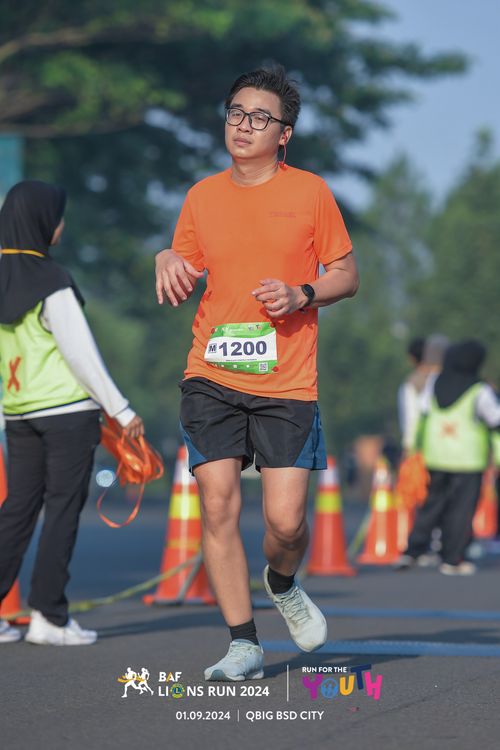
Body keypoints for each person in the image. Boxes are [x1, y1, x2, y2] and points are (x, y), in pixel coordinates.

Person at [155, 66, 358, 680]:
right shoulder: (202, 196)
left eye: (260, 118)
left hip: (287, 383)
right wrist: (166, 257)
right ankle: (243, 642)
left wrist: (301, 294)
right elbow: (185, 261)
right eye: (236, 113)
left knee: (285, 523)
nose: (243, 125)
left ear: (284, 134)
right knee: (217, 503)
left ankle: (283, 582)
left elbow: (347, 275)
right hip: (211, 372)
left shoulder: (311, 193)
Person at [0, 180, 143, 645]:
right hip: (67, 413)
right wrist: (121, 410)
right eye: (56, 216)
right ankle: (50, 617)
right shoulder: (52, 280)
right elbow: (81, 355)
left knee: (17, 510)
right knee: (62, 509)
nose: (60, 225)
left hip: (18, 413)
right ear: (41, 222)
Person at [397, 340, 500, 575]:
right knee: (460, 510)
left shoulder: (434, 383)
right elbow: (495, 418)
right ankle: (452, 558)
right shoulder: (479, 389)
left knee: (432, 505)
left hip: (436, 456)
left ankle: (413, 551)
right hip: (468, 460)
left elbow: (423, 413)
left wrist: (414, 448)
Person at [398, 335, 449, 455]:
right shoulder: (449, 379)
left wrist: (408, 447)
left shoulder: (412, 383)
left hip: (424, 447)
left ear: (411, 358)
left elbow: (411, 418)